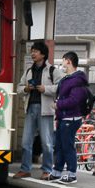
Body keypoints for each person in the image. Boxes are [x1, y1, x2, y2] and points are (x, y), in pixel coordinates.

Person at [13, 41, 58, 179]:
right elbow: (19, 88)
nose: (32, 53)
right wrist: (26, 88)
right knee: (26, 141)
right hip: (30, 108)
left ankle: (47, 169)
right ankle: (25, 169)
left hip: (46, 110)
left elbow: (61, 87)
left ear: (43, 54)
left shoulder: (52, 70)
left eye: (36, 51)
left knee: (47, 142)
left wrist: (46, 89)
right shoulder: (28, 70)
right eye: (32, 51)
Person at [49, 51, 89, 184]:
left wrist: (58, 105)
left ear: (68, 61)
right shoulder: (68, 79)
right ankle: (57, 172)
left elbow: (74, 100)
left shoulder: (77, 81)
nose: (62, 63)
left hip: (71, 118)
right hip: (63, 117)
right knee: (59, 146)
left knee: (67, 146)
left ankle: (72, 174)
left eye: (63, 60)